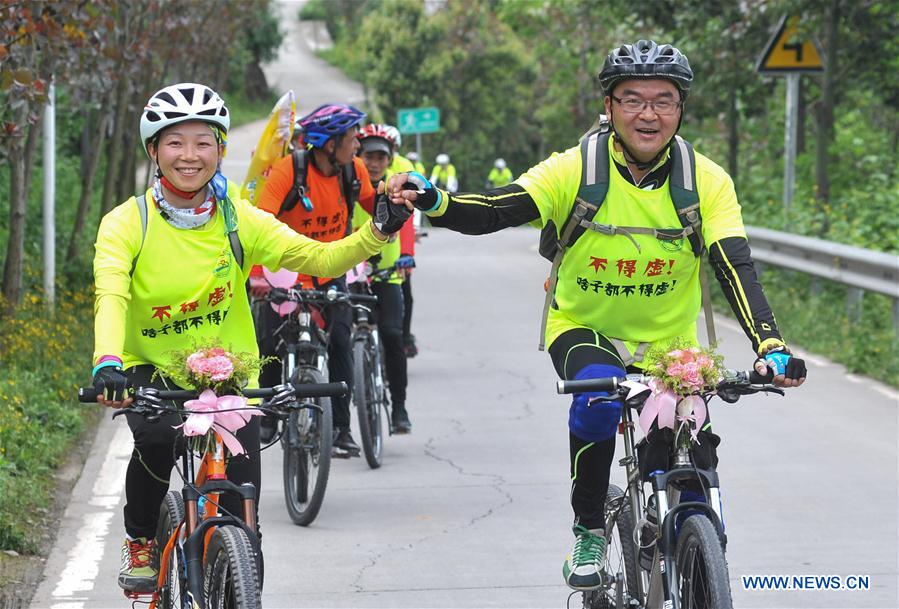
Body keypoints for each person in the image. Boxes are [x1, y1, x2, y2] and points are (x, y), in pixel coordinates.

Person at [387, 40, 807, 591]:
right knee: (593, 395)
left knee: (689, 448)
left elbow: (734, 264)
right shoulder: (575, 170)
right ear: (608, 107)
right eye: (632, 99)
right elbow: (499, 209)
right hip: (585, 328)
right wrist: (436, 201)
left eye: (664, 100)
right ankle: (588, 528)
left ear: (681, 110)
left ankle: (701, 547)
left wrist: (769, 345)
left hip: (668, 342)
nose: (648, 114)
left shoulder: (707, 181)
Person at [92, 83, 407, 593]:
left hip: (230, 369)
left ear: (221, 149)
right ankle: (141, 540)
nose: (189, 156)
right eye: (175, 143)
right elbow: (111, 294)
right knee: (154, 438)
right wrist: (107, 363)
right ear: (153, 150)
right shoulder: (127, 223)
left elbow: (319, 259)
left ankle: (236, 580)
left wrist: (378, 232)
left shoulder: (240, 220)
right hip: (150, 365)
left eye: (203, 142)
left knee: (246, 527)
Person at [251, 103, 379, 457]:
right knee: (270, 340)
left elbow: (373, 203)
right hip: (287, 270)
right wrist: (259, 275)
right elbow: (259, 223)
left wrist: (397, 206)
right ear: (329, 143)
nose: (358, 147)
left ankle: (340, 428)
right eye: (352, 139)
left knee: (340, 339)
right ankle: (268, 415)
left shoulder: (352, 171)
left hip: (331, 268)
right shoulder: (287, 171)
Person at [354, 124, 414, 431]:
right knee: (339, 340)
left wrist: (406, 255)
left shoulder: (395, 188)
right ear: (358, 156)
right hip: (351, 275)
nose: (374, 163)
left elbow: (407, 224)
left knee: (392, 335)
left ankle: (400, 407)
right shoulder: (348, 184)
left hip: (387, 275)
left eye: (381, 157)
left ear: (389, 159)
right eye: (369, 156)